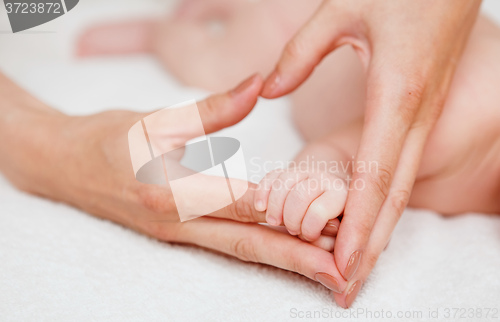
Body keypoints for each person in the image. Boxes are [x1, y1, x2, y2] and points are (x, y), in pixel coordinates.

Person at [3, 0, 487, 308]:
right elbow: (340, 150)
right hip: (289, 34)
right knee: (217, 60)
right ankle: (161, 33)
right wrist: (320, 181)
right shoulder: (469, 120)